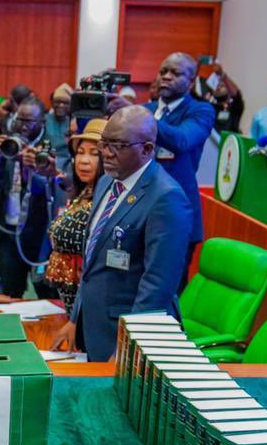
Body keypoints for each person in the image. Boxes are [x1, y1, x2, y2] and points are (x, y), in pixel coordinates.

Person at [50, 105, 191, 361]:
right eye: (105, 143)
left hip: (126, 337)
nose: (106, 152)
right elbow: (93, 259)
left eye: (118, 145)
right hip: (94, 327)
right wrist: (75, 319)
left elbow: (157, 284)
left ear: (147, 149)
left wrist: (129, 346)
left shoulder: (166, 197)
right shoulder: (106, 181)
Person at [141, 52, 214, 288]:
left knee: (167, 291)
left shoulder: (200, 111)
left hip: (175, 215)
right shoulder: (145, 109)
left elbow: (182, 140)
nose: (166, 77)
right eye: (163, 71)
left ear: (191, 82)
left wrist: (140, 119)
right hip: (139, 211)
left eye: (175, 73)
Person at [0, 97, 55, 298]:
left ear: (42, 122)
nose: (23, 125)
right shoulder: (10, 143)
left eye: (29, 121)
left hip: (38, 235)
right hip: (7, 231)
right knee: (11, 292)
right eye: (19, 119)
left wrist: (34, 168)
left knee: (46, 291)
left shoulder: (50, 147)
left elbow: (52, 191)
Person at [45, 118, 105, 315]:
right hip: (68, 304)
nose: (84, 160)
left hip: (89, 307)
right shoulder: (82, 192)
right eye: (80, 152)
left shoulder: (106, 203)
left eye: (94, 154)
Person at [197, 62, 243, 134]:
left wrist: (222, 74)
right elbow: (193, 94)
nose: (218, 87)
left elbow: (236, 94)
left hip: (228, 140)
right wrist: (195, 69)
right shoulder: (210, 106)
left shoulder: (235, 106)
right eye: (217, 86)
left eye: (222, 86)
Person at [45, 83, 74, 175]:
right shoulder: (44, 120)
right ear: (52, 102)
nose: (61, 105)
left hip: (67, 165)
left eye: (65, 103)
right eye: (57, 102)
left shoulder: (74, 123)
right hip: (47, 162)